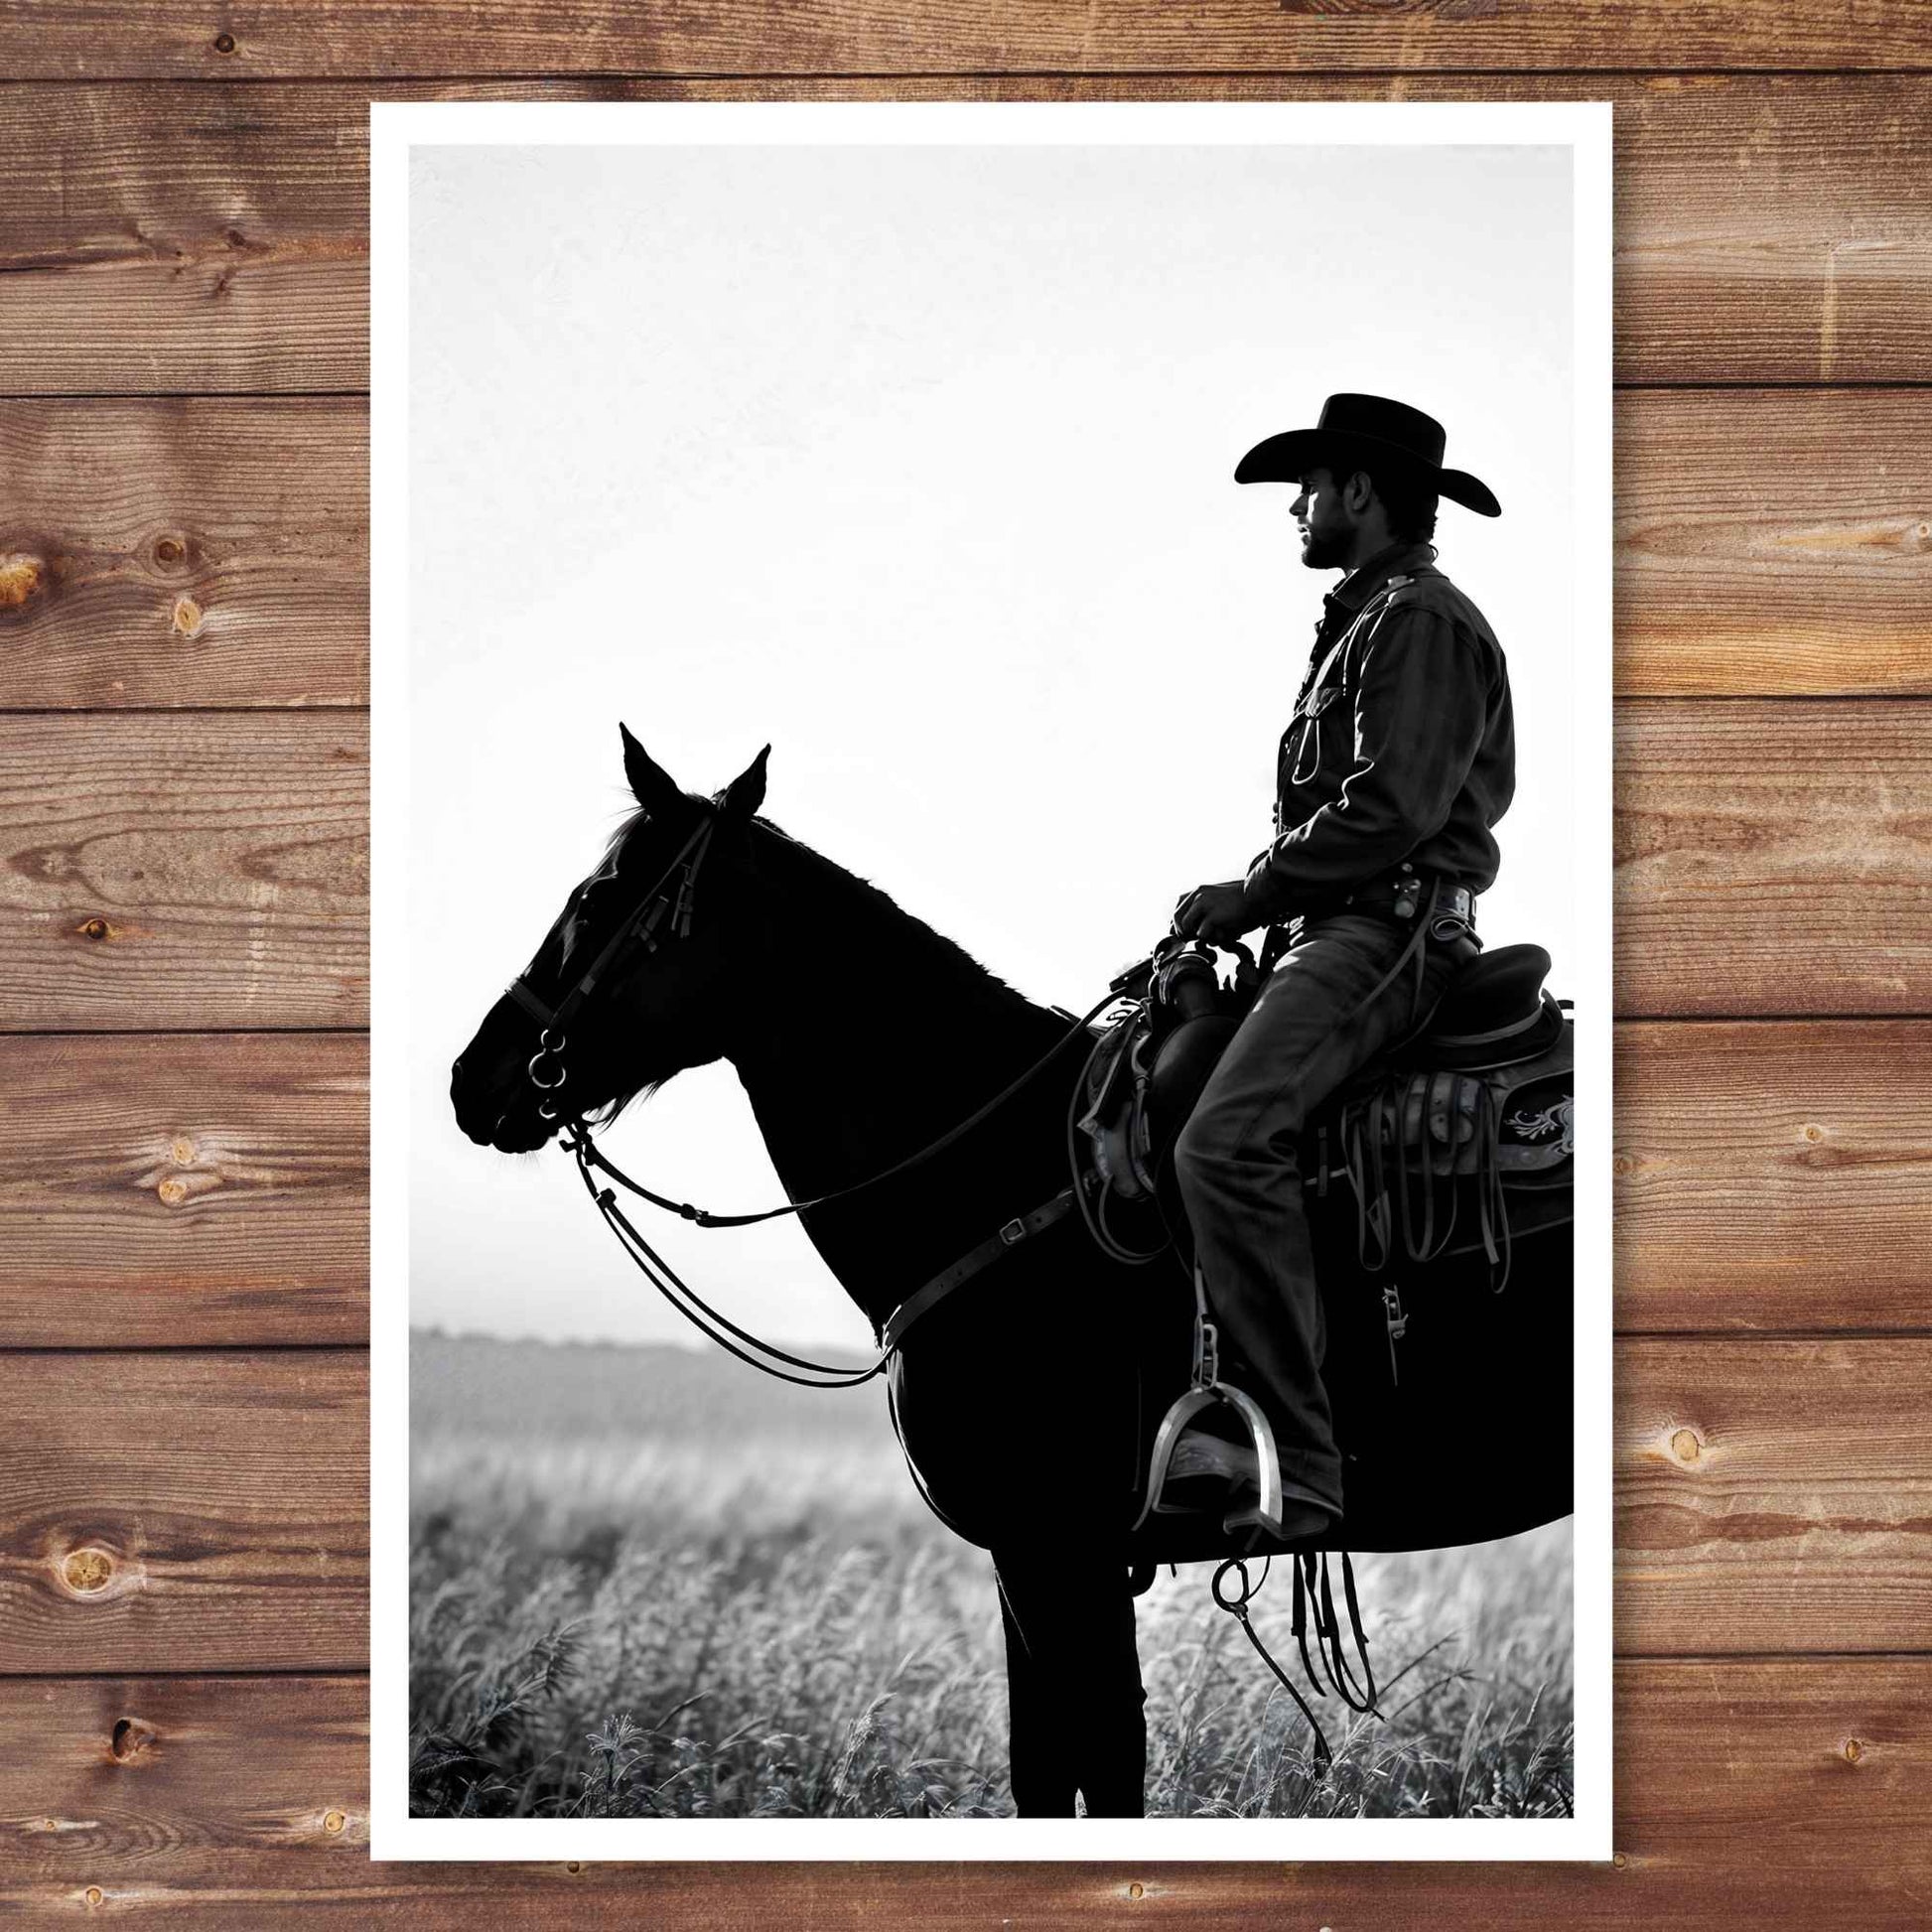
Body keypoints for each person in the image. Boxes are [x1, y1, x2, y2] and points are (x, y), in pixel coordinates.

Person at [1165, 392, 1515, 1542]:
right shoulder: (1368, 620)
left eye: (1308, 487)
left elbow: (1390, 810)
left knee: (1222, 1142)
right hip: (1335, 928)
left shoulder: (1417, 621)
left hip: (1384, 931)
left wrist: (1248, 890)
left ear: (1359, 492)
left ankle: (1301, 1469)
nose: (1296, 508)